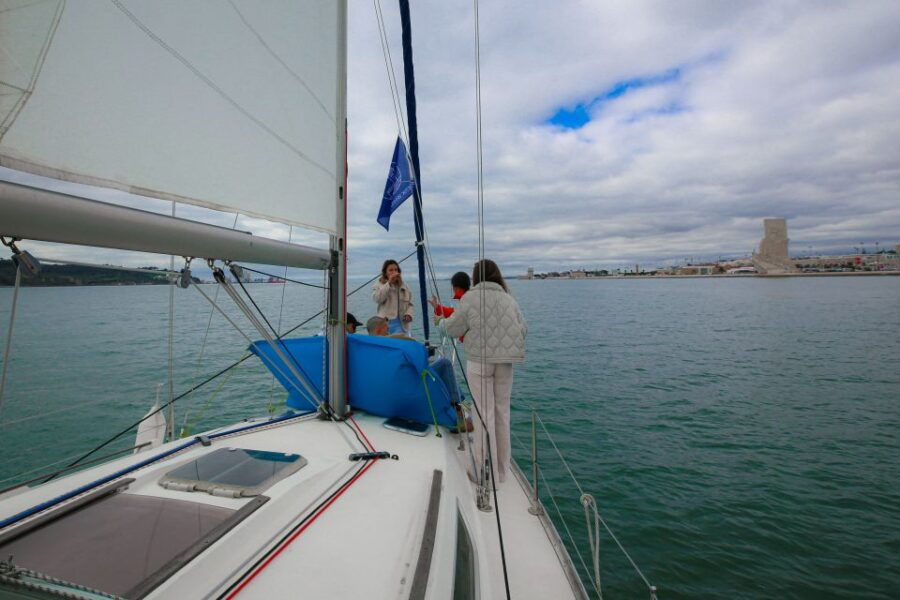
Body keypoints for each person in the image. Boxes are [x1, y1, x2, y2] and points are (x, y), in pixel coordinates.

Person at [439, 259, 526, 484]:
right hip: (505, 362)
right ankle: (502, 472)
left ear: (476, 277)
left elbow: (452, 328)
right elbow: (523, 329)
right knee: (501, 413)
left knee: (482, 413)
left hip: (479, 361)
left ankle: (483, 471)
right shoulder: (509, 299)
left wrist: (440, 321)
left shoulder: (470, 298)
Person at [372, 259, 414, 335]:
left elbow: (410, 304)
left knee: (403, 344)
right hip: (385, 324)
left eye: (396, 269)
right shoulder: (378, 284)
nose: (394, 272)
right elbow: (377, 299)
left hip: (402, 324)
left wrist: (408, 314)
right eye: (390, 270)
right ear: (385, 273)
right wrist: (389, 283)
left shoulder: (404, 286)